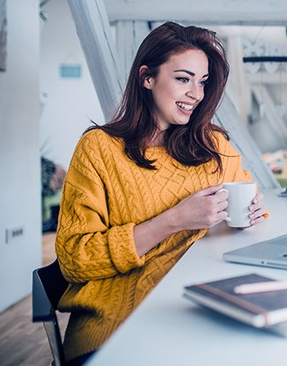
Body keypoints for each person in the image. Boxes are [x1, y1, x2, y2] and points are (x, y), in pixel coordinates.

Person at [55, 22, 268, 365]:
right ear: (147, 77)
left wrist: (250, 214)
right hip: (119, 329)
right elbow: (74, 258)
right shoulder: (99, 149)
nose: (196, 94)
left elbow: (247, 207)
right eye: (183, 79)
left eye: (202, 82)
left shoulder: (214, 146)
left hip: (198, 314)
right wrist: (173, 220)